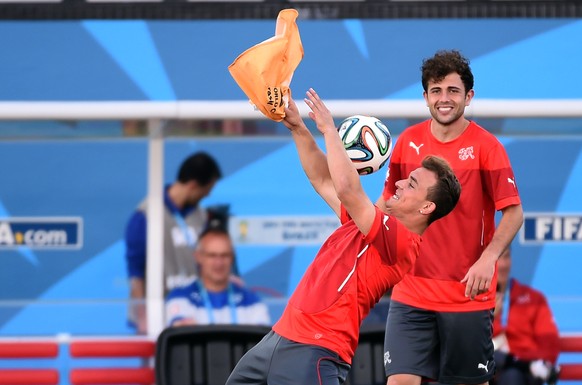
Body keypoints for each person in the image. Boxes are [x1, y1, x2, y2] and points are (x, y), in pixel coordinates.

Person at [226, 88, 461, 385]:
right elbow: (323, 179)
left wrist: (328, 129)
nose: (400, 183)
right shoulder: (368, 222)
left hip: (316, 348)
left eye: (412, 183)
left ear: (427, 206)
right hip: (277, 338)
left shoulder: (403, 243)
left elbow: (348, 189)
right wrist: (298, 127)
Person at [377, 49, 524, 385]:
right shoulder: (408, 142)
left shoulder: (488, 147)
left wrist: (488, 260)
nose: (444, 99)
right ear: (426, 97)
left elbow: (514, 214)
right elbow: (388, 203)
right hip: (410, 292)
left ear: (468, 96)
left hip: (467, 297)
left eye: (453, 91)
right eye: (436, 90)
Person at [124, 151, 224, 334]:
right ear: (193, 185)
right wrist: (143, 315)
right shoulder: (145, 215)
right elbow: (135, 272)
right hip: (158, 313)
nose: (207, 196)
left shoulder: (202, 217)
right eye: (205, 191)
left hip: (194, 311)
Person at [165, 227, 271, 326]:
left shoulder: (252, 301)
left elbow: (263, 342)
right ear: (198, 257)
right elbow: (180, 335)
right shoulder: (180, 297)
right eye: (212, 255)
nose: (219, 263)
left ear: (232, 258)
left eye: (224, 255)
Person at [491, 247, 560, 385]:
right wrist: (489, 318)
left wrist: (524, 360)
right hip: (488, 371)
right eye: (497, 258)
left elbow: (549, 344)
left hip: (525, 376)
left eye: (506, 257)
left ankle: (519, 365)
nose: (503, 264)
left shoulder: (533, 298)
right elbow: (467, 347)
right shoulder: (473, 300)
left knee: (512, 376)